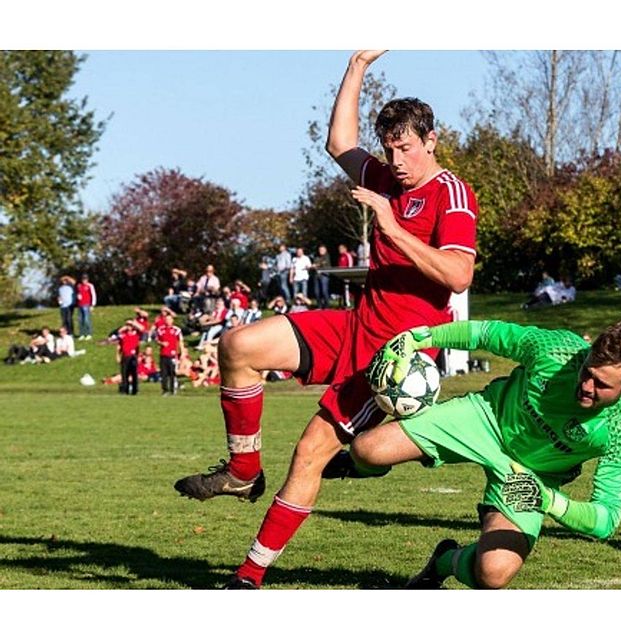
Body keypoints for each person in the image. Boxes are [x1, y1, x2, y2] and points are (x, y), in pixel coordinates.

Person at [173, 50, 479, 589]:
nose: (397, 158)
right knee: (238, 345)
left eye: (407, 147)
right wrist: (358, 62)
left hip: (398, 353)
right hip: (355, 323)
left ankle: (248, 577)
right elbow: (338, 142)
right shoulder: (386, 177)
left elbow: (458, 276)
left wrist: (391, 225)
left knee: (310, 453)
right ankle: (244, 472)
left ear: (432, 140)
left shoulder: (451, 193)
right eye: (390, 148)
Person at [348, 319, 621, 589]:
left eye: (602, 384)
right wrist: (420, 338)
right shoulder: (556, 349)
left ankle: (443, 562)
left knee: (493, 574)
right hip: (486, 419)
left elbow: (606, 519)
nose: (586, 385)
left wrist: (548, 500)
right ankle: (357, 467)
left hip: (528, 479)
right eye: (587, 371)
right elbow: (486, 333)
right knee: (367, 450)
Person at [156, 312, 185, 395]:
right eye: (166, 319)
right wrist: (161, 343)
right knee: (164, 373)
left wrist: (182, 352)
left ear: (172, 320)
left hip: (172, 354)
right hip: (163, 354)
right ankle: (165, 390)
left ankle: (172, 389)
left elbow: (180, 341)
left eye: (169, 319)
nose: (168, 321)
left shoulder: (176, 330)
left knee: (172, 372)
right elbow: (157, 339)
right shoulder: (161, 329)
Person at [117, 320, 143, 395]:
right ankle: (125, 389)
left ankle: (135, 390)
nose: (129, 327)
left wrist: (133, 323)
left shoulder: (136, 334)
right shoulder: (123, 335)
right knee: (125, 373)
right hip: (125, 355)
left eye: (130, 325)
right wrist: (118, 355)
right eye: (128, 325)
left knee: (134, 373)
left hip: (133, 356)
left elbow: (142, 329)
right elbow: (119, 345)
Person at [75, 274, 97, 341]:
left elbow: (93, 295)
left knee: (86, 320)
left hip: (86, 304)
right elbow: (77, 293)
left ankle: (88, 334)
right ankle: (82, 334)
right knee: (80, 320)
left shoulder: (90, 286)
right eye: (83, 279)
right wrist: (77, 297)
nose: (84, 280)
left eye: (85, 279)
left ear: (87, 279)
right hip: (80, 305)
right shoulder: (79, 286)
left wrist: (92, 304)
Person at [310, 244, 332, 309]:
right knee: (316, 292)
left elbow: (323, 263)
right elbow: (313, 265)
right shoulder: (316, 257)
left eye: (322, 250)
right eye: (320, 250)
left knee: (324, 291)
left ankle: (327, 306)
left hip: (324, 275)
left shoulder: (327, 256)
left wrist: (315, 265)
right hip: (316, 275)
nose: (321, 251)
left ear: (325, 250)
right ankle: (319, 306)